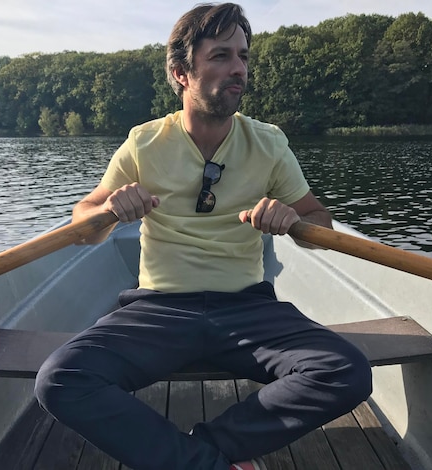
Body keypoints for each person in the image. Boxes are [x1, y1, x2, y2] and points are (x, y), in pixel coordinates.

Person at [35, 3, 372, 469]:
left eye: (244, 56)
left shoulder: (269, 143)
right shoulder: (144, 143)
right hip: (159, 307)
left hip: (248, 307)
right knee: (60, 379)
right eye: (220, 56)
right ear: (181, 73)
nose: (238, 68)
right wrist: (109, 212)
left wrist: (293, 222)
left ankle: (201, 452)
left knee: (345, 372)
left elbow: (322, 228)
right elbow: (82, 224)